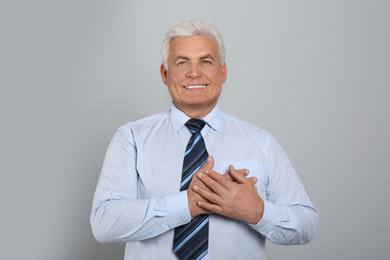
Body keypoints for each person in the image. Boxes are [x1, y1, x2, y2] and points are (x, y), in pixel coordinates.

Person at [90, 19, 318, 260]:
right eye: (182, 62)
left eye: (206, 61)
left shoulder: (261, 142)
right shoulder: (131, 139)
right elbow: (104, 223)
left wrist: (258, 211)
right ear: (165, 74)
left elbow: (307, 224)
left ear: (223, 72)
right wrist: (186, 204)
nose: (194, 73)